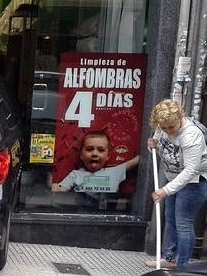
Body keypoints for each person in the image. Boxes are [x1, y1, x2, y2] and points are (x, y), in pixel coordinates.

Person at [145, 99, 207, 269]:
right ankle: (170, 258)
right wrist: (154, 141)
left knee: (183, 223)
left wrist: (165, 190)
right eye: (163, 128)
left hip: (194, 181)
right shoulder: (163, 124)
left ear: (180, 117)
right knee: (171, 219)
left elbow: (190, 170)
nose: (167, 131)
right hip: (173, 178)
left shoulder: (191, 135)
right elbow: (158, 135)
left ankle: (182, 266)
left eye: (171, 127)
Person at [52, 131, 139, 193]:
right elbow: (59, 189)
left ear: (107, 156)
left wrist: (151, 143)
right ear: (81, 155)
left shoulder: (115, 172)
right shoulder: (76, 175)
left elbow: (139, 159)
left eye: (100, 150)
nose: (94, 153)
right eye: (89, 149)